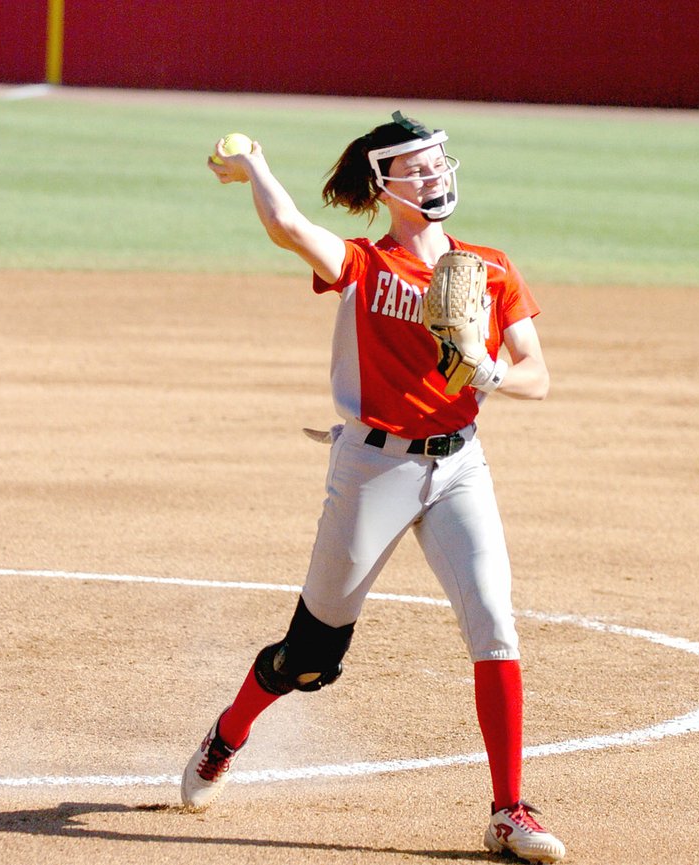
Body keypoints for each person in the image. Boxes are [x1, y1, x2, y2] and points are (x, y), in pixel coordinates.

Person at [181, 110, 565, 863]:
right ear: (386, 183)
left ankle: (508, 809)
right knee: (309, 654)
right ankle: (229, 731)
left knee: (495, 623)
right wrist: (256, 165)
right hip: (373, 468)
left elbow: (539, 376)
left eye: (436, 162)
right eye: (415, 167)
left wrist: (493, 375)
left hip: (460, 467)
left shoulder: (489, 267)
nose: (432, 175)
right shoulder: (365, 263)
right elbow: (290, 227)